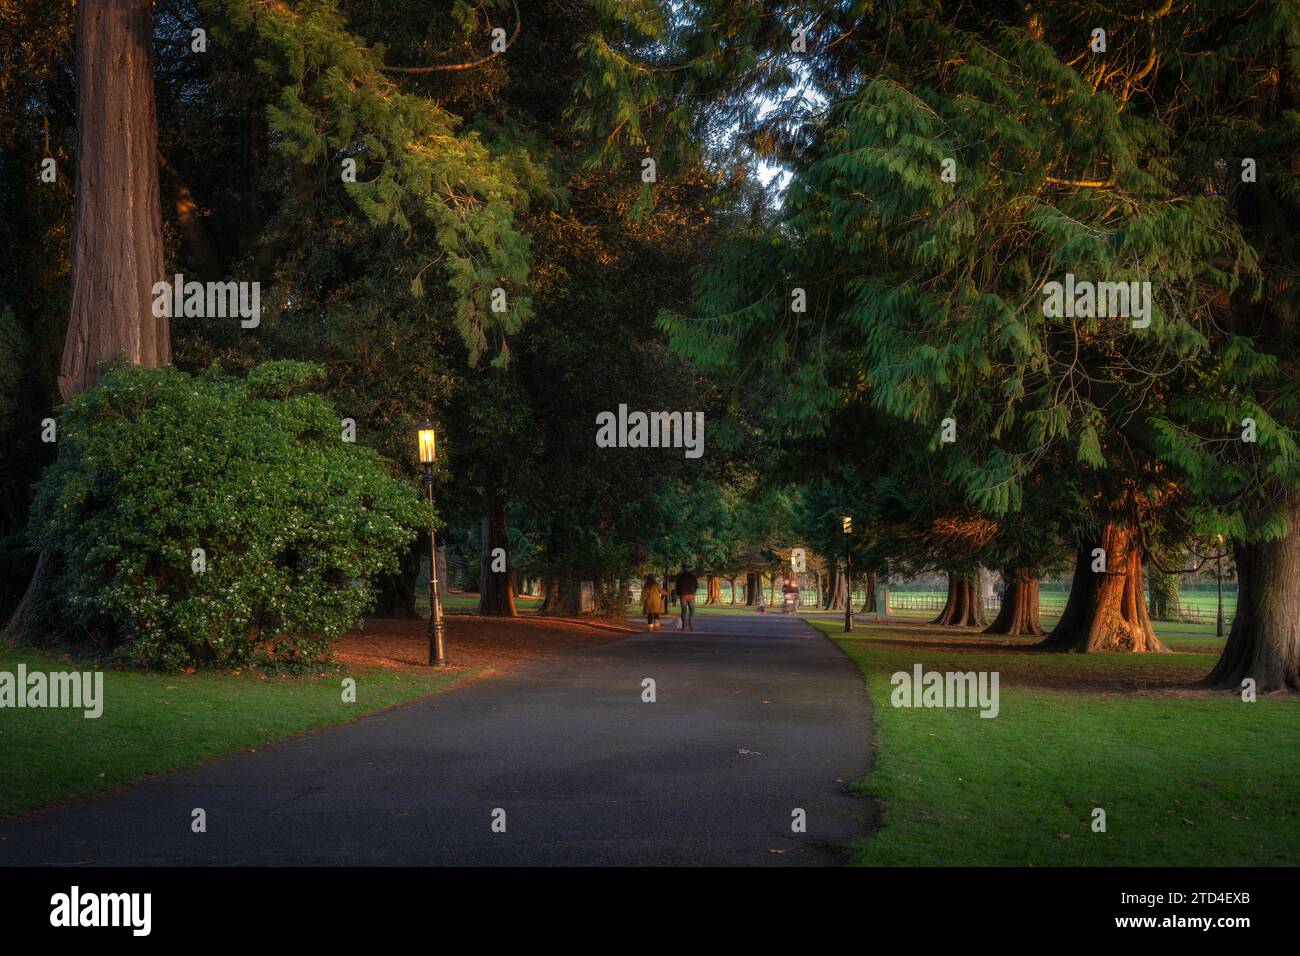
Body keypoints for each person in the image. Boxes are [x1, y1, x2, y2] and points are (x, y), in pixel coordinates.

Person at [673, 565, 699, 631]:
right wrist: (693, 592)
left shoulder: (680, 576)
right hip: (691, 594)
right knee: (692, 609)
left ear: (682, 569)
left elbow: (677, 586)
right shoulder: (692, 575)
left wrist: (679, 594)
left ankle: (684, 625)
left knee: (684, 610)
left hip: (683, 594)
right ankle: (691, 624)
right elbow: (696, 585)